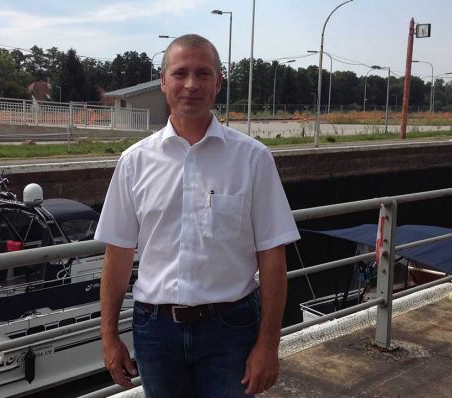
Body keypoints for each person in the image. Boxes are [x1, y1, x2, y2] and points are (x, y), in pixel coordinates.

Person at [95, 34, 300, 398]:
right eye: (180, 73)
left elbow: (272, 255)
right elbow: (119, 254)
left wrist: (268, 345)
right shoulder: (134, 163)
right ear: (163, 81)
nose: (191, 84)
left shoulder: (252, 159)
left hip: (231, 329)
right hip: (155, 332)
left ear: (219, 82)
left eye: (203, 74)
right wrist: (109, 337)